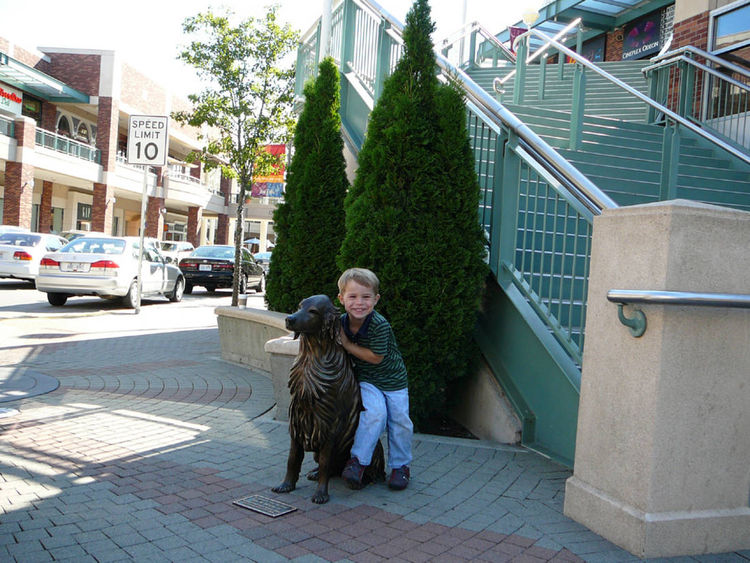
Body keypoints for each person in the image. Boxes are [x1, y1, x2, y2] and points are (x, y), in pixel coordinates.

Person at [337, 268, 413, 491]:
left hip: (394, 381)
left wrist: (348, 345)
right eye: (352, 296)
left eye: (366, 297)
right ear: (341, 299)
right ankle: (357, 462)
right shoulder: (341, 322)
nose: (359, 303)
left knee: (400, 422)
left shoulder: (379, 325)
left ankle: (400, 466)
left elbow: (376, 357)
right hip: (368, 379)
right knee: (373, 414)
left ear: (376, 299)